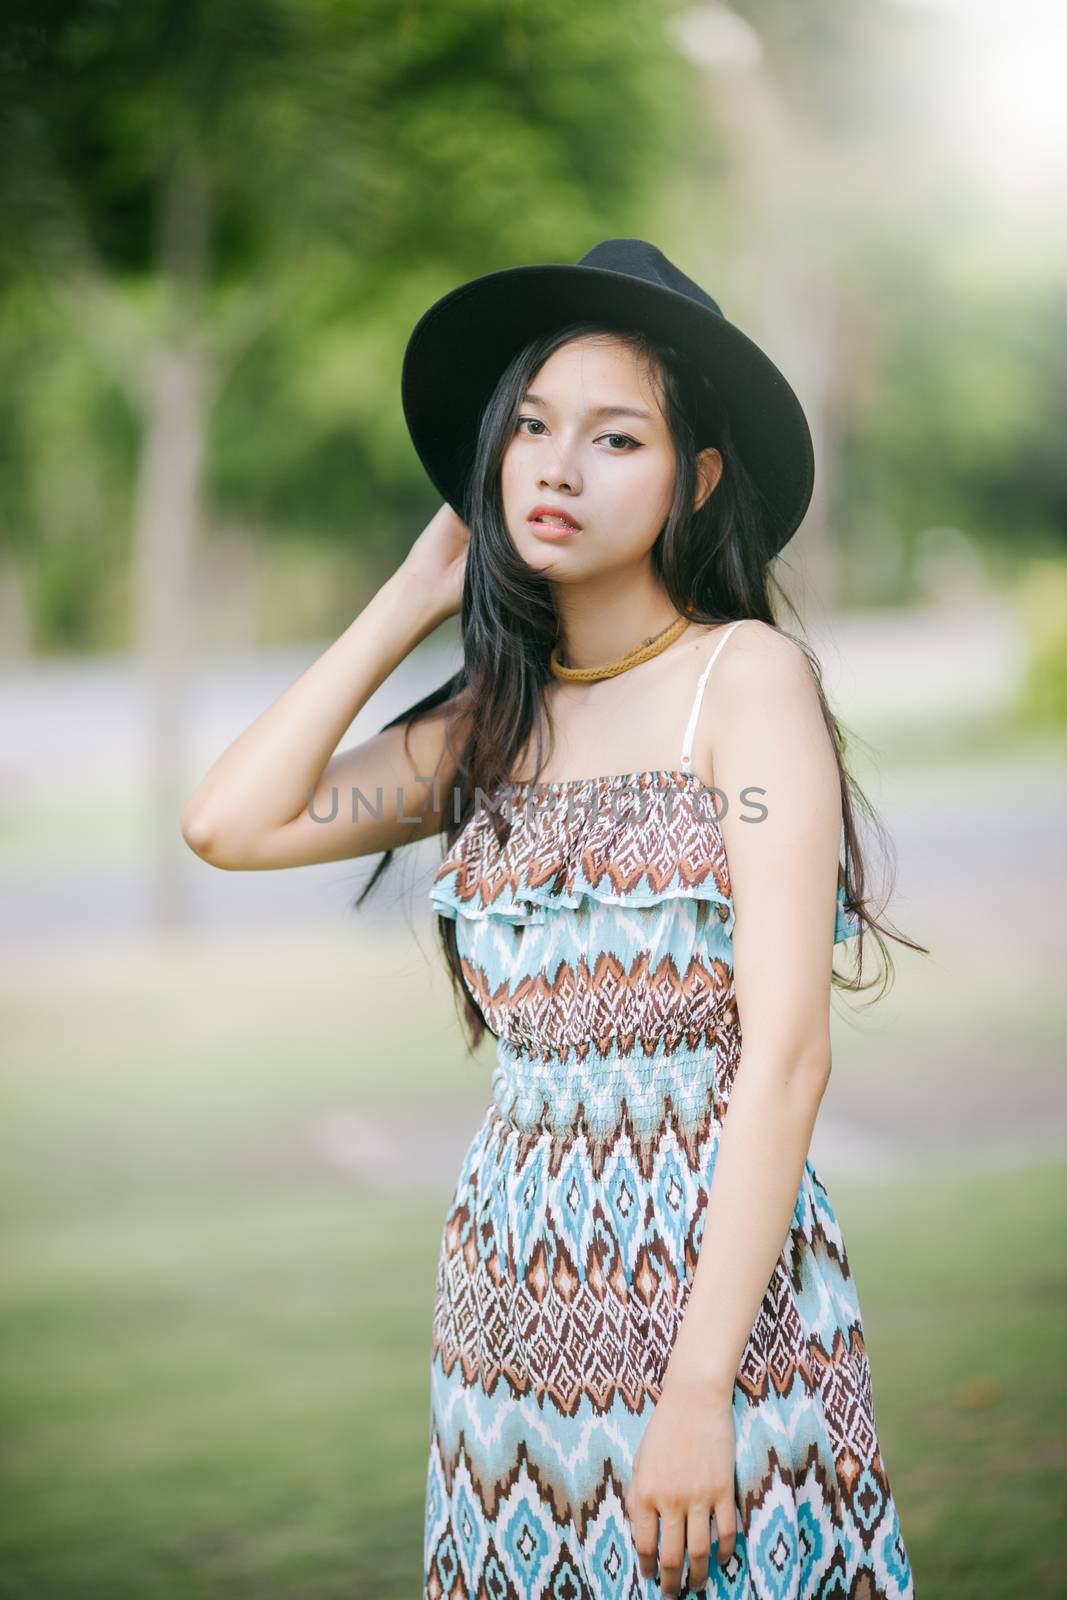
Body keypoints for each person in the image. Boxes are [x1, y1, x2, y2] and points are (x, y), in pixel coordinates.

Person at [181, 239, 921, 1598]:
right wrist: (415, 594)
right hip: (507, 1312)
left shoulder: (742, 683)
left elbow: (788, 1053)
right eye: (529, 427)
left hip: (712, 1308)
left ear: (697, 478)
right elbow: (231, 823)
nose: (557, 468)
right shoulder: (488, 728)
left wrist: (699, 1393)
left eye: (615, 436)